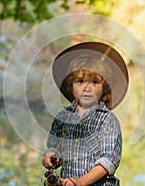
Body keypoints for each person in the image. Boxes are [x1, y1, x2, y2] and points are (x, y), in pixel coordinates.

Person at [42, 42, 129, 186]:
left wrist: (81, 182)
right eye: (80, 81)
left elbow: (109, 161)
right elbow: (55, 148)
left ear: (104, 88)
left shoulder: (108, 120)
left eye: (95, 82)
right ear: (71, 85)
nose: (87, 88)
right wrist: (51, 157)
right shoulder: (62, 118)